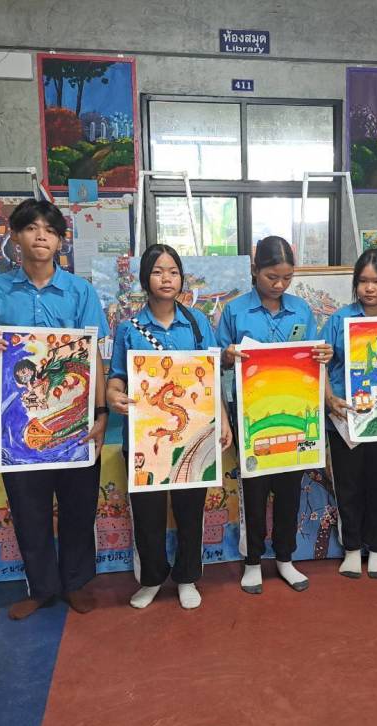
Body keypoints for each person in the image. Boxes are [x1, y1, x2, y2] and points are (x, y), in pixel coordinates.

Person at [0, 199, 109, 620]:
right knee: (28, 507)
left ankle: (75, 583)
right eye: (32, 228)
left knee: (78, 504)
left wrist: (101, 413)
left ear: (60, 241)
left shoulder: (80, 292)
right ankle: (40, 588)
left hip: (74, 419)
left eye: (50, 231)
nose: (41, 236)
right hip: (19, 420)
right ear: (15, 236)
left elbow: (93, 355)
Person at [106, 244, 233, 610]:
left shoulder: (197, 323)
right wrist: (114, 396)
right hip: (143, 438)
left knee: (190, 510)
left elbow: (210, 377)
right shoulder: (129, 328)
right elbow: (116, 377)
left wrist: (223, 419)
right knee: (147, 514)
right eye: (158, 271)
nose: (167, 278)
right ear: (145, 278)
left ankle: (187, 577)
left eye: (174, 272)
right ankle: (151, 579)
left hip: (193, 432)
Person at [217, 236, 332, 594]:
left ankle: (285, 558)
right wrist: (227, 356)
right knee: (254, 490)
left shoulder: (301, 310)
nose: (280, 285)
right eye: (272, 277)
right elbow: (215, 359)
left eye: (287, 278)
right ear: (255, 271)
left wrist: (323, 354)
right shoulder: (235, 311)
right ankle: (253, 560)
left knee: (289, 491)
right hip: (251, 414)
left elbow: (313, 355)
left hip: (295, 411)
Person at [323, 249, 377, 578]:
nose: (369, 288)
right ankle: (352, 548)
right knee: (348, 485)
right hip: (346, 418)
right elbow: (321, 364)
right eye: (363, 281)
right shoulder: (338, 319)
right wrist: (330, 399)